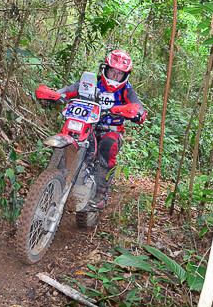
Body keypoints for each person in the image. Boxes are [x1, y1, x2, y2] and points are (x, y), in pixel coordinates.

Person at [51, 50, 146, 209]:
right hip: (86, 125)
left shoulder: (127, 90)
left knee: (108, 146)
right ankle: (55, 176)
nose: (115, 76)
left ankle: (102, 193)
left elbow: (139, 109)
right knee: (71, 136)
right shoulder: (93, 82)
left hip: (111, 129)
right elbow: (70, 90)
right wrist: (56, 94)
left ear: (125, 76)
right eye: (112, 71)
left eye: (120, 74)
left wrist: (136, 113)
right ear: (105, 69)